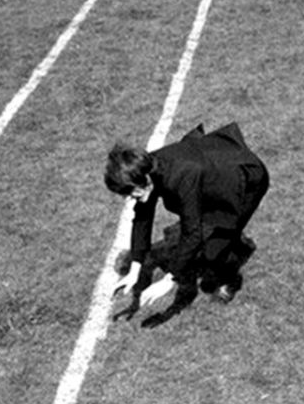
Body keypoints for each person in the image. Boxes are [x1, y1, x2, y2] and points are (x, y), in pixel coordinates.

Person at [105, 121, 269, 312]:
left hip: (245, 181)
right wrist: (135, 269)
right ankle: (233, 241)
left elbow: (193, 233)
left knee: (213, 252)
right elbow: (142, 217)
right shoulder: (148, 169)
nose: (129, 198)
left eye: (130, 192)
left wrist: (170, 279)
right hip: (212, 171)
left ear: (145, 180)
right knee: (207, 230)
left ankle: (228, 280)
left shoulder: (182, 177)